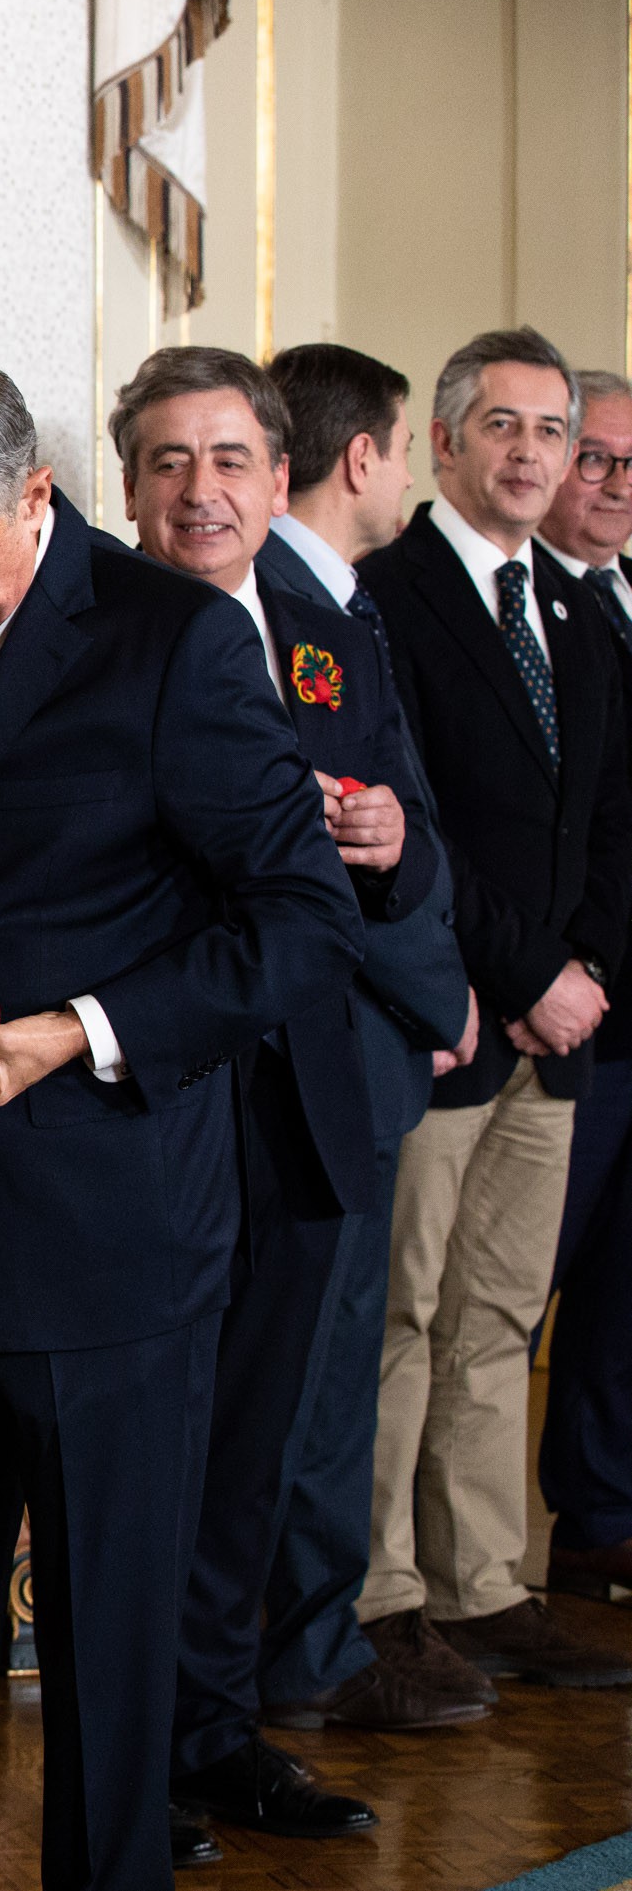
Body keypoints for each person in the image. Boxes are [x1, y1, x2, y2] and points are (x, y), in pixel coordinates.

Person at [0, 354, 362, 1891]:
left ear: (34, 497)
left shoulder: (169, 645)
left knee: (110, 1655)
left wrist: (76, 1036)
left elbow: (300, 924)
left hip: (110, 1237)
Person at [110, 348, 444, 1851]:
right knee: (145, 1451)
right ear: (127, 483)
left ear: (278, 471)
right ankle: (124, 1763)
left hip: (305, 1090)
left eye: (232, 459)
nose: (203, 491)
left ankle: (212, 1732)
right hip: (146, 1089)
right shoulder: (86, 632)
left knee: (253, 1443)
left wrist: (384, 842)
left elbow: (417, 843)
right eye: (171, 462)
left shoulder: (327, 632)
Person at [357, 327, 632, 1691]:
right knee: (402, 1315)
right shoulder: (383, 601)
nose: (533, 456)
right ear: (449, 443)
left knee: (499, 1316)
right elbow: (419, 825)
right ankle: (382, 1594)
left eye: (552, 433)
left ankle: (481, 1586)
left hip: (556, 1034)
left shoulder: (577, 610)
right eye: (505, 428)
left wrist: (582, 976)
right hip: (449, 1018)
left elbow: (608, 825)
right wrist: (524, 977)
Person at [247, 342, 487, 1736]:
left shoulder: (331, 603)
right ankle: (306, 1646)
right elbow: (334, 840)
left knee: (341, 1364)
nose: (400, 476)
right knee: (318, 1376)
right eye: (403, 450)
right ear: (363, 455)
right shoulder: (288, 611)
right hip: (339, 1039)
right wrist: (438, 988)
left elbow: (410, 825)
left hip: (373, 1035)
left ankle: (314, 1637)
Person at [529, 370, 632, 1595]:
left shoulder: (618, 602)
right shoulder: (517, 605)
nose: (608, 485)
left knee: (617, 1291)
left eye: (624, 467)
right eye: (590, 457)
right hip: (557, 1002)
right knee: (517, 1293)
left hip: (621, 1003)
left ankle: (599, 1513)